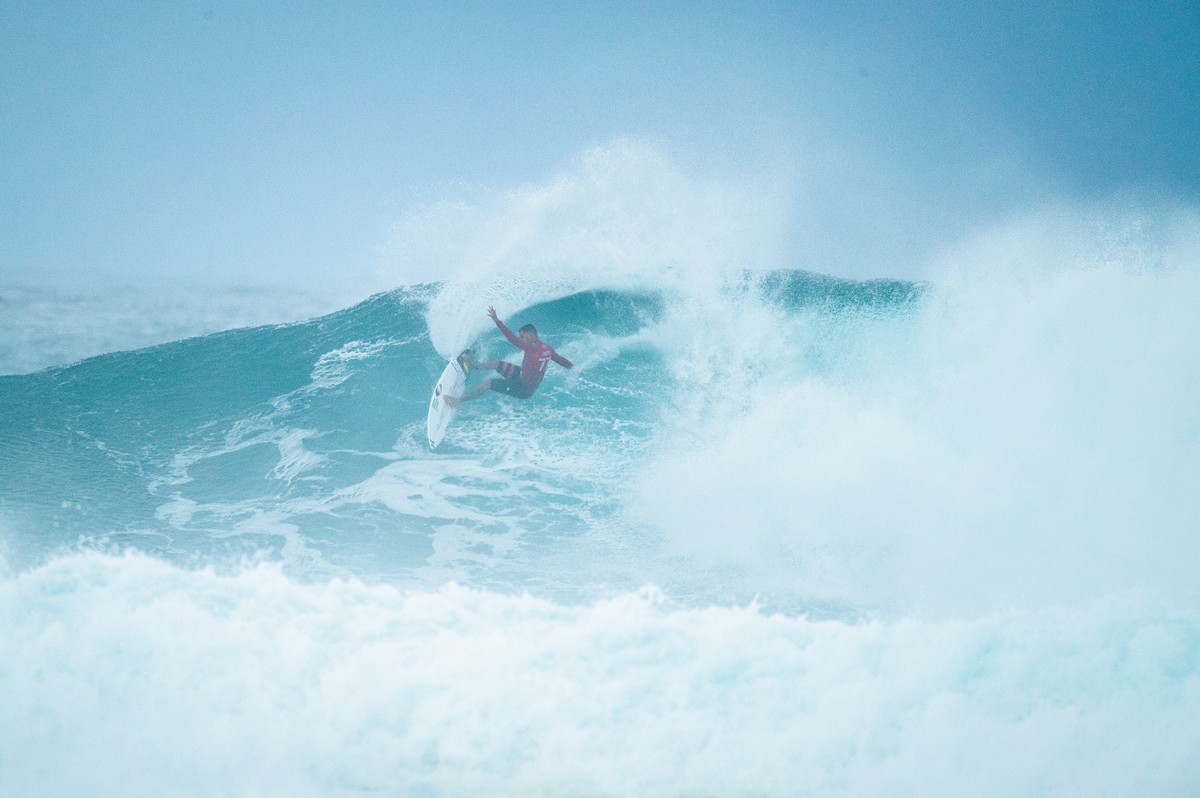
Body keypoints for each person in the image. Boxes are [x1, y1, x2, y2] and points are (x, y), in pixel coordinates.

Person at [443, 306, 573, 407]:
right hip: (521, 376)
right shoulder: (547, 349)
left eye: (523, 336)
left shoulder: (530, 347)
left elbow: (511, 338)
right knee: (496, 364)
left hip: (523, 390)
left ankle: (457, 401)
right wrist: (573, 367)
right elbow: (562, 361)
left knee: (488, 384)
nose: (522, 339)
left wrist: (496, 320)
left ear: (531, 334)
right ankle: (472, 365)